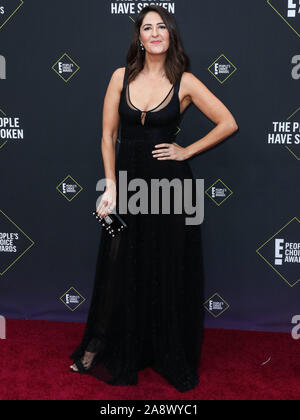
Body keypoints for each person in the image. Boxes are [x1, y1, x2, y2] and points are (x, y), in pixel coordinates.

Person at [69, 5, 238, 392]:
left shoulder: (187, 82)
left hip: (172, 190)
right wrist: (110, 186)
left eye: (162, 26)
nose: (155, 32)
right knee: (120, 267)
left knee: (167, 266)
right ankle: (102, 347)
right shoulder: (120, 77)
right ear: (139, 37)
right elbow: (107, 136)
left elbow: (228, 122)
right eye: (148, 27)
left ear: (170, 35)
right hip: (127, 185)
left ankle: (167, 351)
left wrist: (186, 151)